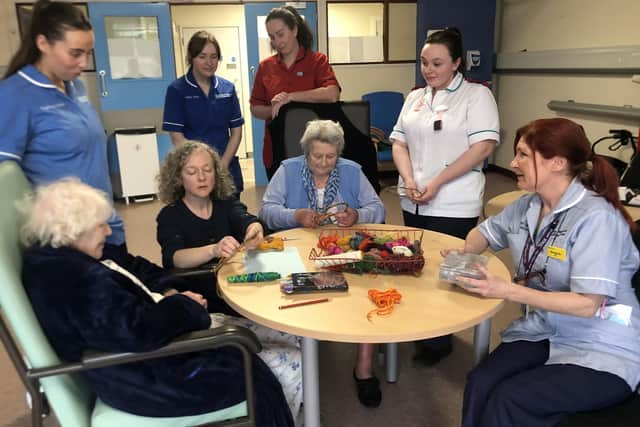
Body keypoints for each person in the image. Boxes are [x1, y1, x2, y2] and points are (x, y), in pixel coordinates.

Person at [20, 178, 300, 426]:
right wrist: (185, 307)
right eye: (100, 225)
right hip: (153, 375)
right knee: (291, 362)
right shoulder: (73, 279)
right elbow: (135, 331)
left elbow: (143, 268)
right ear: (73, 230)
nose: (108, 231)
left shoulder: (82, 256)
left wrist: (170, 292)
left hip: (165, 339)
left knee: (287, 333)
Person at [452, 118, 640, 427]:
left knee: (509, 400)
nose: (512, 162)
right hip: (547, 327)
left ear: (557, 163)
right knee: (481, 382)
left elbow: (587, 304)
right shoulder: (528, 205)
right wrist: (461, 255)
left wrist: (507, 290)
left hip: (603, 342)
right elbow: (486, 233)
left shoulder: (596, 219)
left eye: (523, 155)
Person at [390, 27, 499, 366]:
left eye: (437, 62)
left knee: (447, 269)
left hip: (453, 199)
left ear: (457, 63)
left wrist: (436, 182)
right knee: (415, 264)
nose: (429, 69)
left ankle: (439, 340)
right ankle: (422, 327)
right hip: (413, 197)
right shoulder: (415, 97)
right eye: (424, 62)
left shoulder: (476, 96)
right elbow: (399, 142)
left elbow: (483, 146)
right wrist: (409, 179)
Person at [259, 119, 386, 408]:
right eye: (318, 156)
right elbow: (266, 210)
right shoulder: (288, 169)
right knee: (292, 294)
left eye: (331, 157)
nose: (324, 163)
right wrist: (295, 216)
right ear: (306, 153)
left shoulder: (352, 171)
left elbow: (378, 208)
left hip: (343, 252)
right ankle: (303, 348)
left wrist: (357, 216)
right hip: (298, 253)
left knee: (367, 294)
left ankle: (364, 368)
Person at [0, 0, 125, 246]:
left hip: (105, 226)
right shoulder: (15, 95)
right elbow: (7, 184)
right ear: (43, 43)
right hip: (71, 241)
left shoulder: (74, 86)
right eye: (75, 53)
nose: (84, 64)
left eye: (88, 53)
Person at [156, 141, 263, 315]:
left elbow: (244, 218)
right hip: (204, 300)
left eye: (207, 170)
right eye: (192, 172)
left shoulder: (226, 203)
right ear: (178, 178)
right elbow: (174, 257)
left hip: (238, 291)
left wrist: (254, 227)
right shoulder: (170, 216)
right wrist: (214, 250)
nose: (201, 177)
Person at [250, 6, 340, 179]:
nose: (277, 41)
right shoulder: (265, 67)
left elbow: (332, 94)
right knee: (281, 201)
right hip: (277, 146)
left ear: (295, 30)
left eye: (281, 34)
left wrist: (290, 98)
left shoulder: (317, 61)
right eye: (272, 37)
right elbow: (255, 107)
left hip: (314, 149)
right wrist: (275, 109)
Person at [163, 31, 245, 196]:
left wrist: (220, 167)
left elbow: (236, 132)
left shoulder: (227, 88)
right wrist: (203, 168)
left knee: (231, 216)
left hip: (226, 168)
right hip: (195, 172)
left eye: (214, 57)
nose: (209, 62)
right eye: (202, 56)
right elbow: (176, 136)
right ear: (191, 58)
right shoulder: (177, 90)